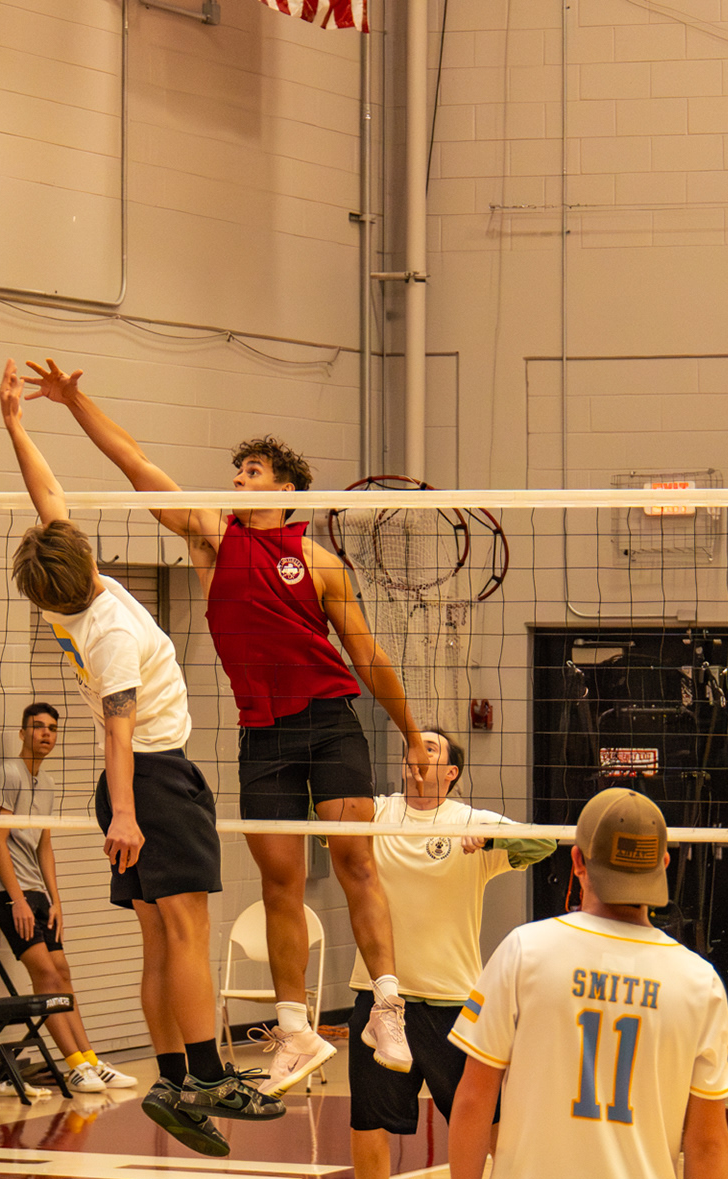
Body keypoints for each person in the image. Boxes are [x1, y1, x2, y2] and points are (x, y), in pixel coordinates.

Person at [23, 358, 429, 1095]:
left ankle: (388, 1004)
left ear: (286, 490)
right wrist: (75, 400)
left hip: (332, 722)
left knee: (355, 863)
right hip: (263, 734)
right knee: (278, 882)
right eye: (234, 470)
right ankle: (295, 1032)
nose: (236, 480)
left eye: (250, 471)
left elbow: (365, 653)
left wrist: (408, 732)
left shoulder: (320, 562)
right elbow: (135, 462)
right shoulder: (212, 537)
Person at [1, 358, 282, 1158]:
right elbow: (119, 732)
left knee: (162, 943)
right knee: (189, 936)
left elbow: (46, 498)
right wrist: (125, 814)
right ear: (87, 566)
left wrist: (19, 422)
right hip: (152, 780)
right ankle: (207, 1073)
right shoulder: (113, 632)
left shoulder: (75, 597)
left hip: (134, 785)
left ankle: (169, 1079)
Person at [446, 788, 728, 1179]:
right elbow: (708, 1143)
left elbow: (475, 1098)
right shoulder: (698, 981)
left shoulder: (524, 951)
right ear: (663, 863)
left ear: (578, 860)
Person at [334, 729, 556, 1179]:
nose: (419, 750)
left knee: (485, 1120)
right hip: (380, 995)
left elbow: (544, 842)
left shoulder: (469, 820)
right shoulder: (377, 812)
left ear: (451, 771)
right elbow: (323, 828)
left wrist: (496, 841)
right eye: (415, 744)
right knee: (368, 1120)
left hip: (453, 1000)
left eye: (432, 747)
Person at [0, 701, 139, 1096]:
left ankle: (90, 1060)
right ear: (23, 733)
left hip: (35, 891)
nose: (46, 734)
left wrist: (55, 900)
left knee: (63, 971)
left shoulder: (47, 784)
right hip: (4, 891)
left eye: (52, 728)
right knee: (46, 975)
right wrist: (17, 899)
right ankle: (73, 1067)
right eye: (38, 727)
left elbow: (44, 846)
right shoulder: (7, 774)